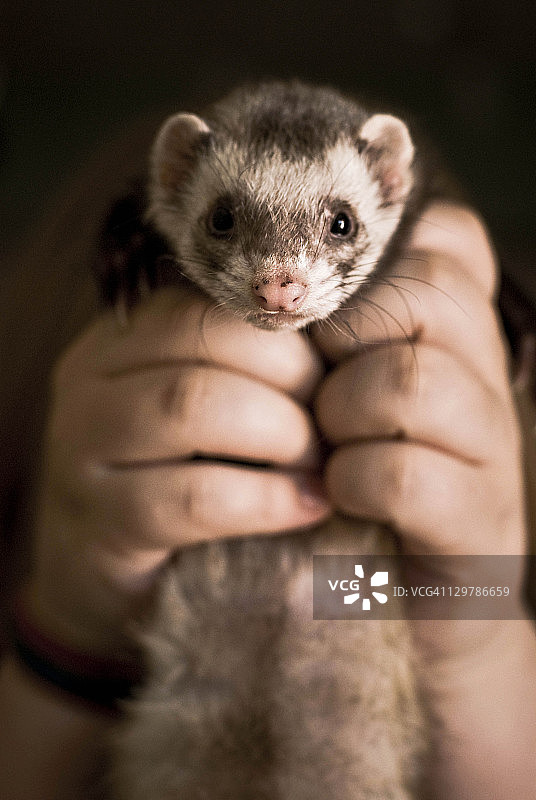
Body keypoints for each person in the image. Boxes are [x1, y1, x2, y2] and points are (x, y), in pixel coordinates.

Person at [0, 122, 534, 799]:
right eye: (224, 223)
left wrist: (476, 637)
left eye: (339, 225)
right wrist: (71, 639)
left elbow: (336, 599)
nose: (282, 289)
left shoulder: (343, 588)